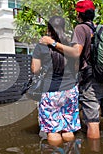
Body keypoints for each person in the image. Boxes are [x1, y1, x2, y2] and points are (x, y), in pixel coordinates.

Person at [39, 0, 103, 139]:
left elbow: (75, 53)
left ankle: (93, 148)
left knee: (92, 122)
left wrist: (52, 43)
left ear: (79, 14)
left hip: (93, 81)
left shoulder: (81, 28)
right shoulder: (100, 29)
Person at [31, 16, 81, 146]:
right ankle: (70, 149)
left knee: (53, 131)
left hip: (51, 92)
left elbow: (35, 70)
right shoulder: (70, 45)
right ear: (63, 28)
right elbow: (76, 67)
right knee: (68, 129)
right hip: (70, 90)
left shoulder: (41, 46)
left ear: (48, 29)